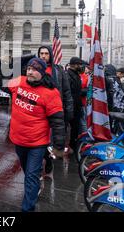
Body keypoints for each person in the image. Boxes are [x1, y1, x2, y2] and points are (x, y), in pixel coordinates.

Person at [3, 58, 65, 212]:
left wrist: (58, 146)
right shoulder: (20, 81)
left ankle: (27, 208)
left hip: (37, 143)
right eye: (28, 68)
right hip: (18, 139)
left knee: (30, 176)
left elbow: (58, 122)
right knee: (29, 173)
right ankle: (35, 184)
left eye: (34, 69)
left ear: (42, 72)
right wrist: (9, 65)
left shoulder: (50, 93)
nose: (29, 72)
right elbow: (2, 83)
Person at [37, 46, 73, 175]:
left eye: (46, 53)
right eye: (41, 53)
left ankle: (49, 160)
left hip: (54, 110)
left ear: (50, 55)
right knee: (39, 140)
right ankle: (40, 165)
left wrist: (68, 111)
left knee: (52, 139)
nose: (43, 56)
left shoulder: (58, 71)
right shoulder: (34, 70)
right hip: (38, 111)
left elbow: (67, 91)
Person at [65, 57, 84, 152]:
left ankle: (73, 146)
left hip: (76, 106)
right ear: (74, 65)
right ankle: (61, 149)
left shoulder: (76, 75)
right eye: (80, 64)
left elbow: (77, 91)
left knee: (75, 128)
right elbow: (68, 93)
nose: (81, 66)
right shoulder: (68, 76)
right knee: (65, 128)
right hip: (69, 107)